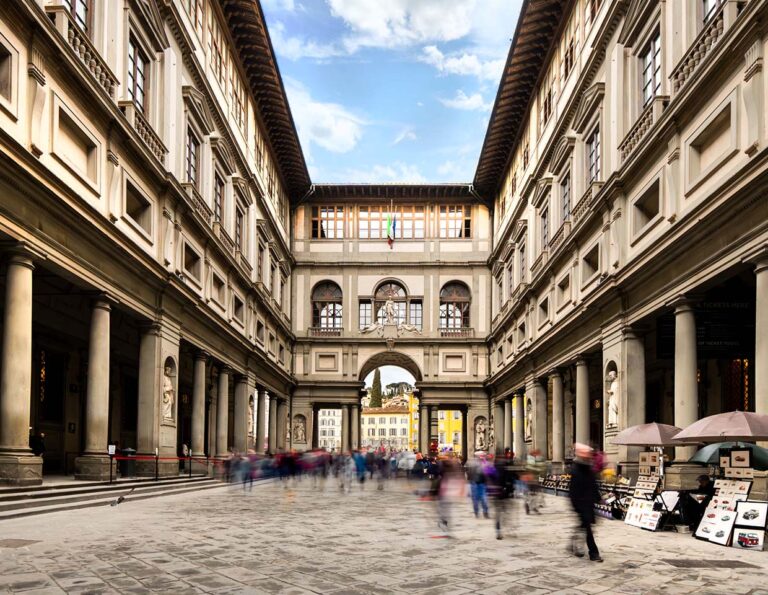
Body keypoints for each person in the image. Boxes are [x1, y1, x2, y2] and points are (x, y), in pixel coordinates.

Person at [568, 442, 602, 562]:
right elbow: (573, 491)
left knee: (584, 526)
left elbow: (593, 485)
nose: (589, 456)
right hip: (581, 504)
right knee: (588, 528)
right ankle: (594, 553)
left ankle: (572, 542)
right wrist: (576, 506)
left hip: (589, 503)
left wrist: (599, 499)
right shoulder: (576, 470)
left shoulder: (589, 468)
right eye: (587, 455)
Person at [466, 452, 490, 518]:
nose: (482, 457)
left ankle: (484, 512)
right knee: (476, 499)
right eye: (481, 456)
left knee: (483, 498)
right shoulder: (473, 462)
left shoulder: (485, 463)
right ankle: (478, 512)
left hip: (481, 483)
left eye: (483, 456)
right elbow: (469, 472)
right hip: (475, 483)